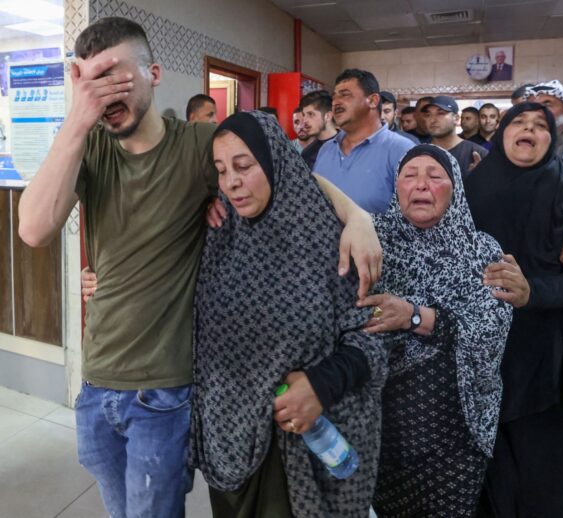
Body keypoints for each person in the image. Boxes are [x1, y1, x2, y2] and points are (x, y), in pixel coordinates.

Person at [23, 17, 382, 518]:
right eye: (92, 80)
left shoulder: (195, 146)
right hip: (97, 381)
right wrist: (76, 120)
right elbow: (34, 230)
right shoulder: (89, 147)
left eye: (116, 76)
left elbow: (275, 165)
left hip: (163, 390)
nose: (104, 92)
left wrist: (356, 215)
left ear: (153, 72)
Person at [190, 111, 388, 518]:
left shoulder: (328, 237)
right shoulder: (219, 232)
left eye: (244, 166)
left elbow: (372, 337)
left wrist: (320, 384)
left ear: (275, 161)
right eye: (222, 170)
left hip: (303, 447)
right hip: (229, 441)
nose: (232, 182)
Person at [465, 102, 563, 518]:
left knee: (539, 482)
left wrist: (535, 291)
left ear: (554, 138)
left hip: (545, 362)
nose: (529, 129)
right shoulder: (473, 186)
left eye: (540, 125)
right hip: (479, 359)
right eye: (519, 122)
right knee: (485, 480)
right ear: (501, 133)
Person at [358, 144, 512, 517]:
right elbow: (352, 316)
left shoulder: (481, 250)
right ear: (396, 188)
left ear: (455, 188)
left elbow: (490, 330)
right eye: (409, 176)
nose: (421, 185)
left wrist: (413, 316)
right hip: (383, 423)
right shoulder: (371, 243)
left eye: (435, 176)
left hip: (455, 427)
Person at [313, 69, 414, 214]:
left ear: (373, 101)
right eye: (334, 97)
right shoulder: (326, 149)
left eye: (345, 95)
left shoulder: (401, 149)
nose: (336, 102)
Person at [423, 95, 486, 179]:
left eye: (440, 113)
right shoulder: (419, 152)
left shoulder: (476, 153)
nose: (433, 120)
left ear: (456, 119)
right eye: (428, 115)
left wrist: (481, 179)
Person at [299, 90, 337, 170]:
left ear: (328, 116)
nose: (304, 120)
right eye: (304, 115)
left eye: (311, 114)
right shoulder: (307, 153)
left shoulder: (346, 146)